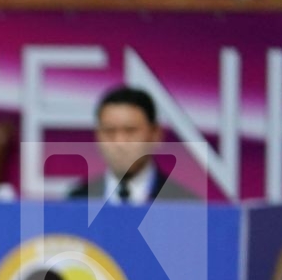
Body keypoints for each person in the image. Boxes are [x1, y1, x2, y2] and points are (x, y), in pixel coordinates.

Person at [67, 86, 198, 204]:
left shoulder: (183, 204)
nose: (120, 143)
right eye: (109, 131)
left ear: (155, 134)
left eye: (130, 131)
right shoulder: (77, 201)